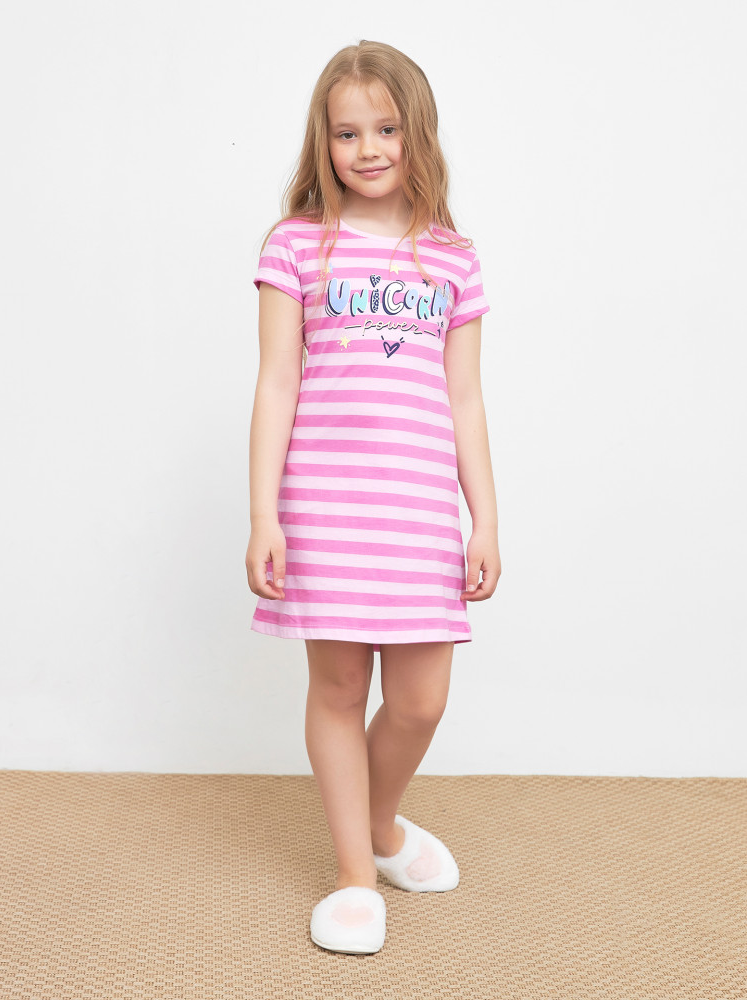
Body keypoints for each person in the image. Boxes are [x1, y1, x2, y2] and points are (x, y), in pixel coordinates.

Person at [245, 39, 501, 955]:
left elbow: (465, 398)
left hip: (418, 513)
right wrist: (264, 515)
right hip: (325, 508)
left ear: (415, 132)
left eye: (386, 129)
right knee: (340, 687)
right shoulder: (296, 246)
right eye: (347, 132)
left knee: (421, 700)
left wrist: (485, 519)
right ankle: (356, 872)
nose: (368, 148)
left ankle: (382, 824)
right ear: (324, 141)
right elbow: (277, 382)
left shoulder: (454, 259)